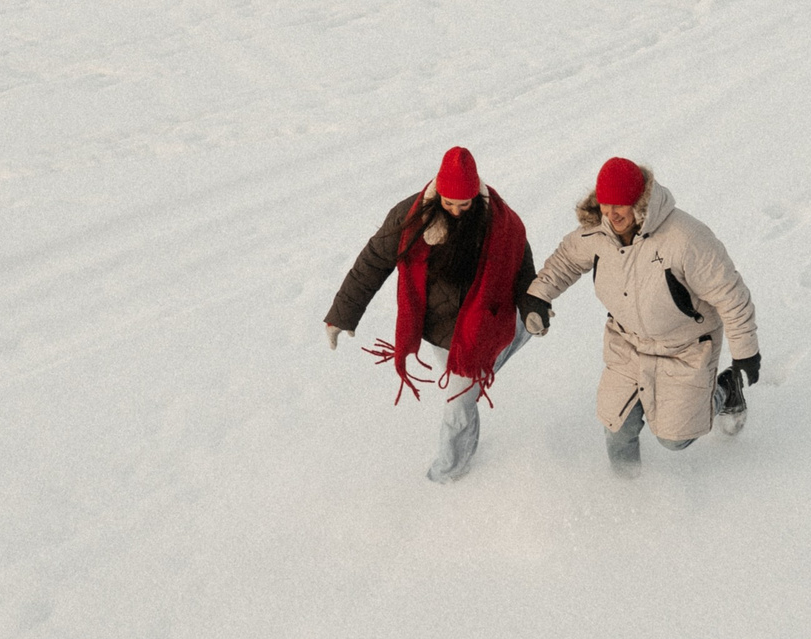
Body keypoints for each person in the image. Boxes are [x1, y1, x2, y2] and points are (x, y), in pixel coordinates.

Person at [523, 157, 760, 473]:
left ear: (639, 201)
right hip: (627, 344)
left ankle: (726, 390)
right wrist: (538, 296)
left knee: (675, 439)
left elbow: (732, 296)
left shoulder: (686, 238)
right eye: (606, 205)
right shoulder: (598, 233)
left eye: (620, 205)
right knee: (617, 425)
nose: (612, 214)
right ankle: (627, 488)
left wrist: (746, 353)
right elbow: (567, 259)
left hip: (684, 348)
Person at [326, 146, 545, 484]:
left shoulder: (501, 223)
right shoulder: (409, 216)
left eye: (464, 204)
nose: (456, 211)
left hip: (482, 326)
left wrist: (532, 308)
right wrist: (342, 314)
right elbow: (373, 260)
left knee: (458, 403)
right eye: (449, 203)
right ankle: (469, 438)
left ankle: (445, 476)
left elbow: (522, 269)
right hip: (439, 330)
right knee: (463, 399)